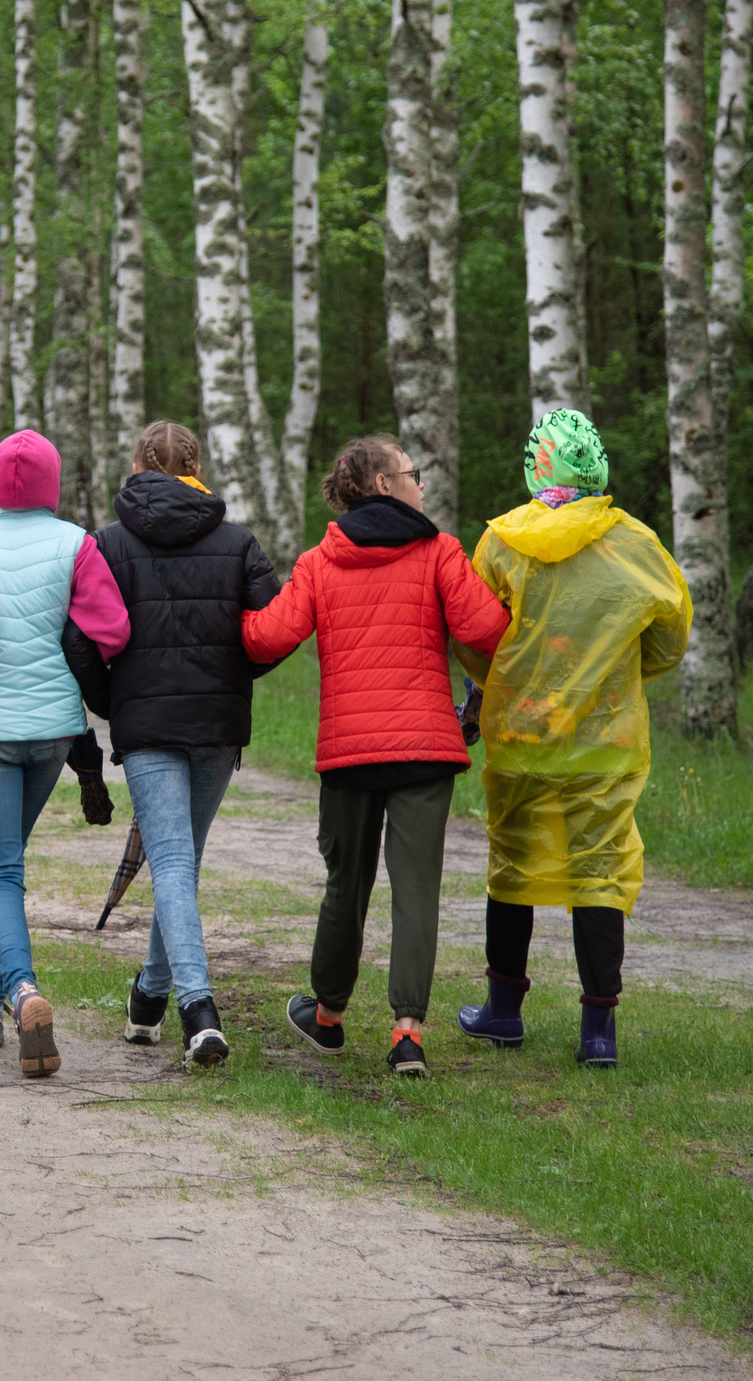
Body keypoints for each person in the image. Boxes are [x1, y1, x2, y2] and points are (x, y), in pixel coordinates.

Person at [241, 437, 510, 1077]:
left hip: (350, 752)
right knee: (416, 892)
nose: (422, 485)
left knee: (346, 883)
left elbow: (266, 638)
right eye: (414, 474)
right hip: (425, 749)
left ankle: (328, 1018)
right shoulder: (440, 552)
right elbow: (487, 631)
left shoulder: (318, 561)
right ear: (386, 485)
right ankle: (408, 1035)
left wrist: (226, 601)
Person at [453, 409, 690, 1069]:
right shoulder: (636, 543)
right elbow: (671, 635)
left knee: (512, 866)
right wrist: (618, 667)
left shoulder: (501, 542)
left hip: (521, 737)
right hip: (606, 742)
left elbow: (476, 639)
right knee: (600, 873)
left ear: (537, 466)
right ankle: (598, 1034)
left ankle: (503, 1013)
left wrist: (496, 687)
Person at [66, 422, 279, 1070]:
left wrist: (113, 700)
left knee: (174, 865)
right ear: (196, 466)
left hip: (150, 727)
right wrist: (234, 681)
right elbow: (272, 631)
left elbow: (78, 639)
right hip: (217, 725)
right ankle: (150, 996)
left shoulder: (107, 544)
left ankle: (197, 1007)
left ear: (137, 465)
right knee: (179, 862)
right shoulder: (238, 542)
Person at [0, 430, 130, 1076]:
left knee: (1, 870)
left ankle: (20, 992)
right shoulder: (75, 544)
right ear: (51, 485)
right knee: (9, 861)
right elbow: (112, 628)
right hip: (54, 728)